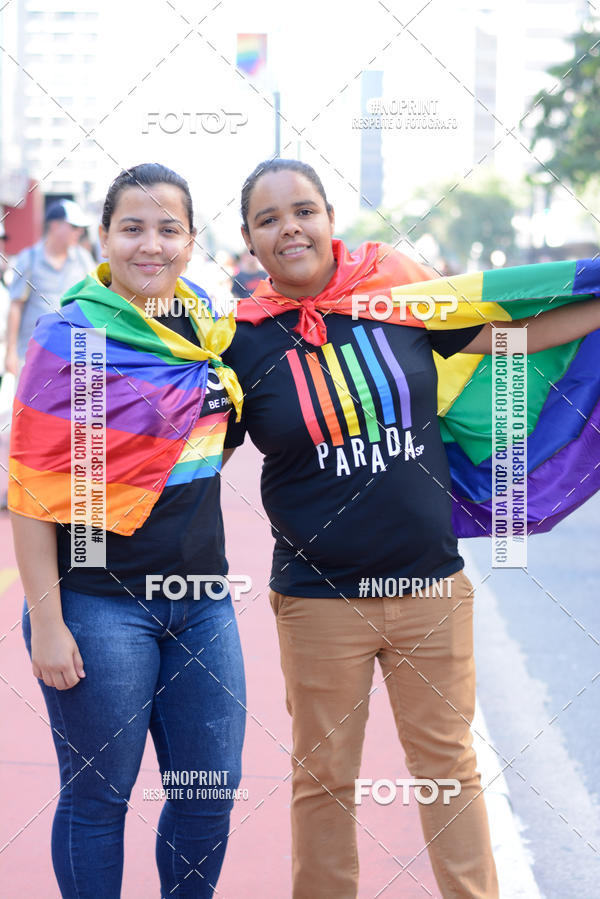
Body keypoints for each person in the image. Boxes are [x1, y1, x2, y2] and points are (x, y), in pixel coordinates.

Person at [222, 158, 600, 899]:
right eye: (269, 219)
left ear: (330, 218)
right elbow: (196, 446)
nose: (289, 227)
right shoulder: (239, 344)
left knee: (448, 771)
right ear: (249, 240)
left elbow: (513, 337)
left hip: (430, 587)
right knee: (324, 778)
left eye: (303, 210)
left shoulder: (397, 302)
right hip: (318, 600)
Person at [9, 163, 246, 898]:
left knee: (210, 793)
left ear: (190, 239)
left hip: (203, 601)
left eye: (168, 229)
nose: (152, 244)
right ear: (104, 238)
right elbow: (30, 492)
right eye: (133, 228)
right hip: (98, 602)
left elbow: (213, 443)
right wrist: (47, 624)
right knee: (99, 799)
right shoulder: (68, 335)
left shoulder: (211, 331)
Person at [5, 198, 94, 375]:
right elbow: (16, 306)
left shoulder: (83, 259)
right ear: (54, 226)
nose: (79, 232)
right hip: (35, 353)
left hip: (74, 354)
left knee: (73, 402)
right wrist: (10, 353)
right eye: (74, 227)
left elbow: (93, 303)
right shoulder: (29, 259)